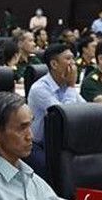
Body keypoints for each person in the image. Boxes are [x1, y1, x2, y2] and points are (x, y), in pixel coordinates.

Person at [25, 43, 85, 177]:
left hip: (62, 143)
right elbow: (64, 117)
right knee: (54, 172)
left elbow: (85, 108)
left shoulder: (65, 85)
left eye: (73, 59)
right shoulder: (40, 89)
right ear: (54, 64)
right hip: (38, 144)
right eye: (68, 59)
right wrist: (71, 86)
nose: (73, 64)